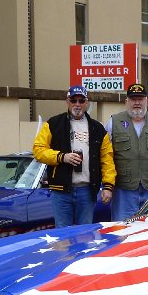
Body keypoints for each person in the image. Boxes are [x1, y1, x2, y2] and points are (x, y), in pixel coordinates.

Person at [33, 86, 115, 227]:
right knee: (63, 236)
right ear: (67, 101)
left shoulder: (98, 129)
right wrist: (62, 157)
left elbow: (107, 159)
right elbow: (38, 150)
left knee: (84, 235)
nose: (77, 104)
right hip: (61, 192)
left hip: (87, 191)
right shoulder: (53, 124)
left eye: (81, 100)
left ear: (86, 103)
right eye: (73, 100)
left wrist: (108, 186)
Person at [105, 83, 148, 221]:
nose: (137, 103)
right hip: (124, 190)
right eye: (133, 99)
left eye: (140, 99)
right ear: (126, 101)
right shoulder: (113, 123)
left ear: (146, 101)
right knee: (122, 229)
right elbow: (106, 157)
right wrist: (107, 184)